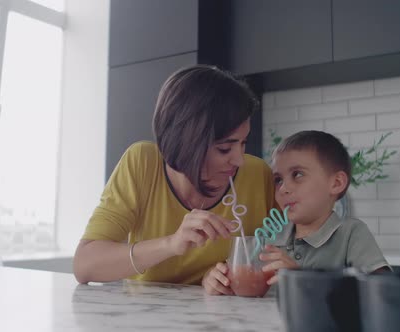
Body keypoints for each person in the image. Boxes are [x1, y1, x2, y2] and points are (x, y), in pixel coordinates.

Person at [73, 65, 276, 291]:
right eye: (224, 149)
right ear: (187, 141)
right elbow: (84, 265)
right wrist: (171, 244)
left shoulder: (258, 175)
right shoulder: (142, 163)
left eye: (243, 142)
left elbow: (286, 253)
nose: (239, 159)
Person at [260, 130, 390, 285]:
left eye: (298, 175)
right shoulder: (268, 234)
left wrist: (301, 279)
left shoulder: (351, 234)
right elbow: (244, 276)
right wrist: (226, 279)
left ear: (336, 183)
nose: (283, 188)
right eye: (278, 180)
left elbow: (383, 290)